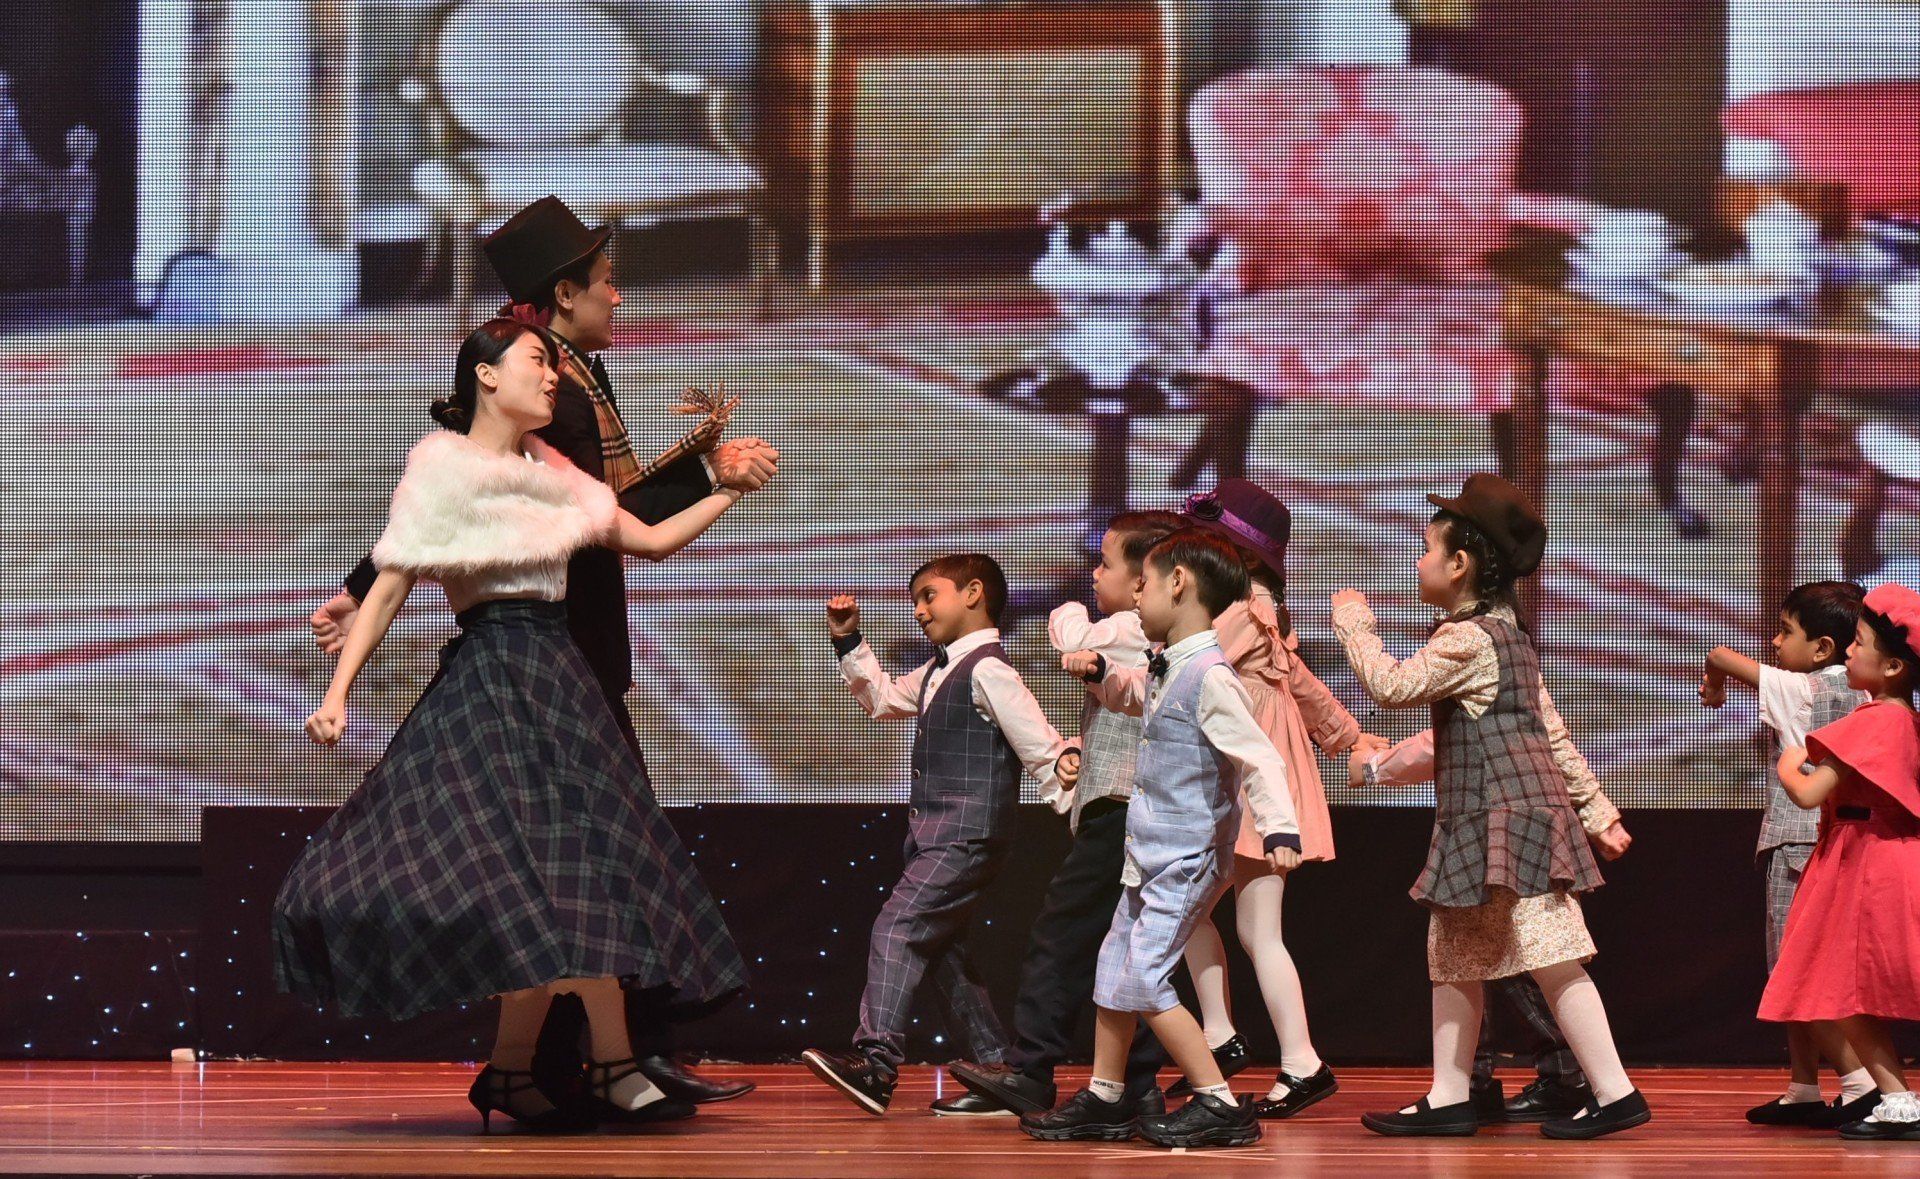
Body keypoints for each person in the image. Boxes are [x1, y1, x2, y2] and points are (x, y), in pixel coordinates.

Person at [309, 197, 773, 1106]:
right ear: (562, 297)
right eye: (606, 284)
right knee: (576, 857)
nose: (620, 298)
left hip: (565, 650)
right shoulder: (537, 378)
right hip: (541, 660)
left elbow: (616, 511)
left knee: (572, 861)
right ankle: (606, 1059)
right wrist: (362, 591)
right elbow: (445, 494)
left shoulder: (565, 381)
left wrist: (715, 479)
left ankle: (558, 1063)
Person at [1331, 473, 1648, 1140]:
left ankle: (1615, 1091)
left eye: (1425, 548)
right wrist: (1598, 812)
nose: (1417, 561)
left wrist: (1355, 626)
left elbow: (1392, 685)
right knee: (1454, 950)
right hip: (1493, 817)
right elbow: (1550, 732)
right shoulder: (1507, 636)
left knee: (1552, 954)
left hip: (1506, 818)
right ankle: (1450, 1094)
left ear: (1460, 563)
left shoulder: (1469, 639)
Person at [1028, 529, 1299, 1149]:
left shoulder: (1210, 675)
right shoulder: (1168, 663)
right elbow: (1140, 699)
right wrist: (1103, 671)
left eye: (1143, 584)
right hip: (1146, 852)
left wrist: (1280, 826)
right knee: (1113, 966)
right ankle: (1105, 1094)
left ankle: (1219, 1102)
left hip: (1186, 858)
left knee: (1146, 977)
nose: (1135, 595)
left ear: (1179, 585)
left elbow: (1259, 759)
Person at [802, 555, 1081, 1115]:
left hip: (966, 834)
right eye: (915, 602)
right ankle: (1000, 1069)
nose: (920, 610)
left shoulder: (988, 670)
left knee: (898, 927)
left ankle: (877, 1063)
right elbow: (881, 700)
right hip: (936, 835)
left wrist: (1071, 774)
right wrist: (849, 640)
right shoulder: (938, 671)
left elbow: (1041, 747)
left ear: (974, 593)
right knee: (942, 952)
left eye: (930, 596)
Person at [947, 512, 1186, 1121]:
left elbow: (1070, 633)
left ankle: (1034, 1070)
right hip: (1129, 805)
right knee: (1127, 948)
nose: (1093, 574)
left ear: (1144, 581)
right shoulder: (1142, 630)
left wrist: (1067, 609)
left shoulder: (1132, 625)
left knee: (1064, 937)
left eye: (1104, 564)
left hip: (1123, 808)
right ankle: (1137, 1085)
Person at [1170, 480, 1385, 1118]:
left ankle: (1294, 1059)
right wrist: (1346, 736)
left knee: (1242, 927)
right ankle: (1227, 1039)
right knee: (1200, 918)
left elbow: (1193, 667)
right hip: (1246, 775)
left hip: (1253, 781)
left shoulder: (1239, 607)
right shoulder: (1251, 605)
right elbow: (1305, 687)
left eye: (1210, 543)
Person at [1700, 581, 1877, 1126]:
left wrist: (1712, 686)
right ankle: (1803, 1088)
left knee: (1791, 972)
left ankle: (1861, 1082)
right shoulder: (1866, 695)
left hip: (1801, 839)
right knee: (1806, 968)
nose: (1775, 643)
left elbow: (1719, 655)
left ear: (1823, 647)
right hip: (1840, 840)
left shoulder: (1803, 689)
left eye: (1785, 631)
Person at [1763, 581, 1920, 1141]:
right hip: (1857, 853)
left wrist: (1789, 757)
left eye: (1859, 643)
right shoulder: (1895, 717)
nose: (1850, 652)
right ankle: (1897, 1097)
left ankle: (1899, 1098)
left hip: (1865, 862)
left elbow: (1807, 793)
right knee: (1848, 992)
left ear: (1895, 665)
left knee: (1848, 989)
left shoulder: (1880, 720)